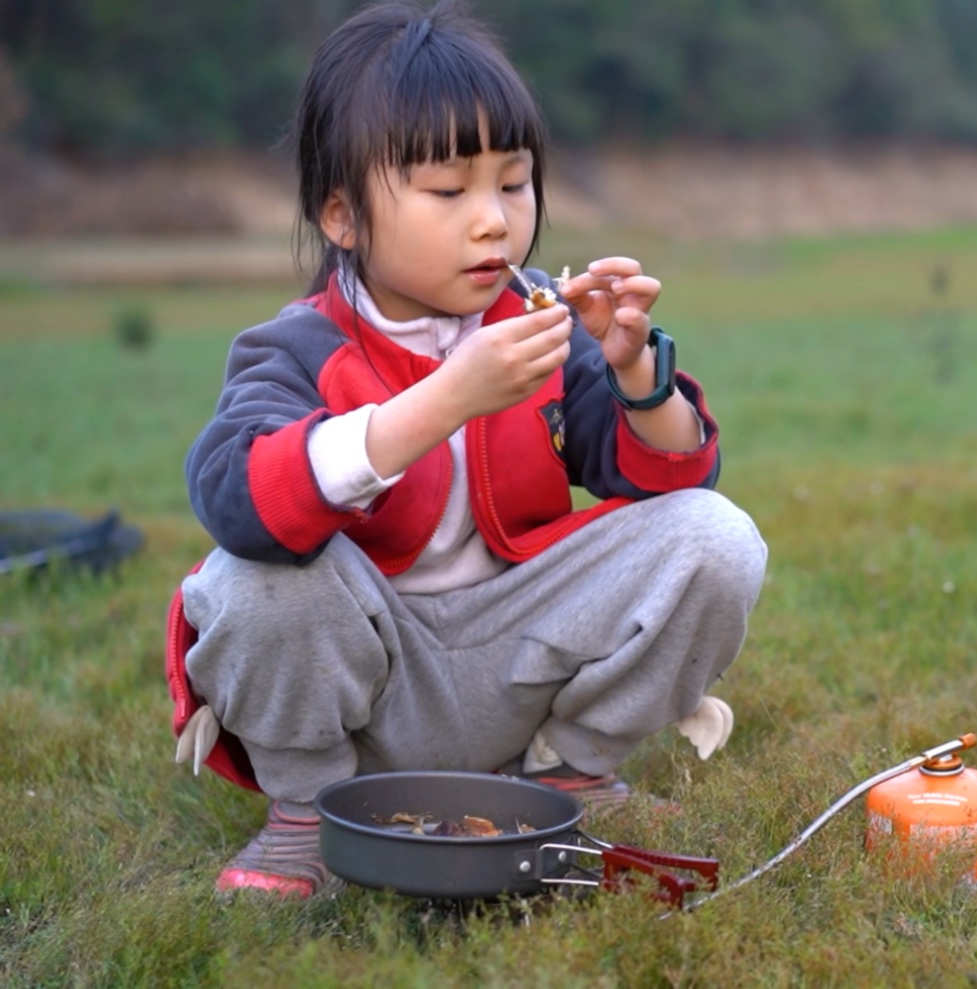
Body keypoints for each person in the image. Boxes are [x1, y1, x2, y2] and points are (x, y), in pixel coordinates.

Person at [163, 0, 767, 899]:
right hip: (368, 680)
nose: (493, 221)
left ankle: (570, 772)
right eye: (449, 192)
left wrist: (635, 368)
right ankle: (309, 812)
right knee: (250, 579)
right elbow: (239, 500)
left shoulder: (541, 328)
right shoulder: (292, 350)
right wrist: (446, 398)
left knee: (714, 537)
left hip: (514, 658)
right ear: (342, 215)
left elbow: (669, 474)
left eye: (513, 184)